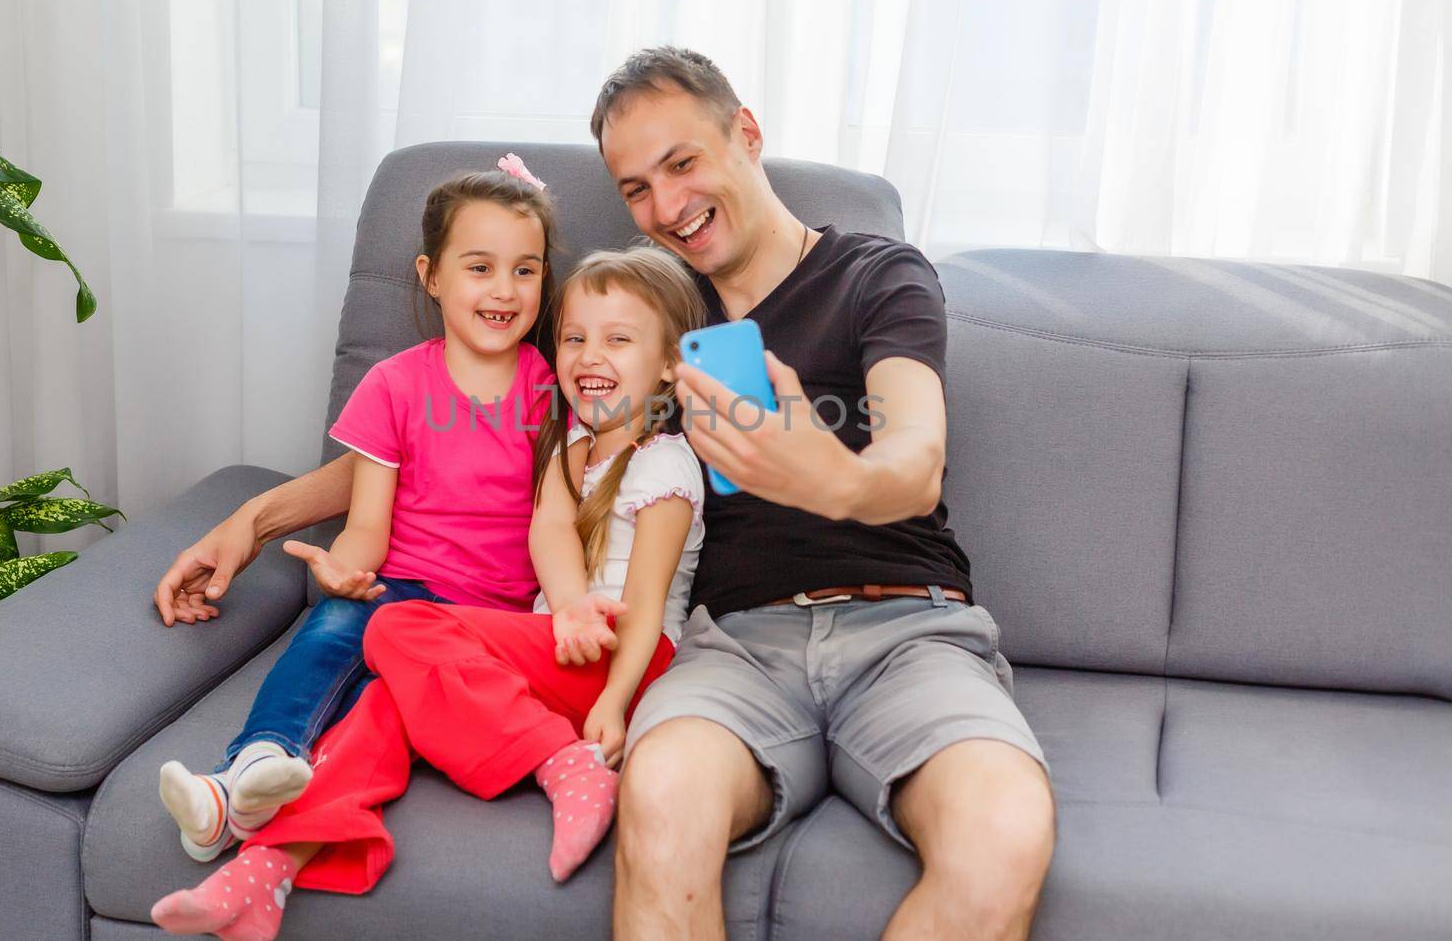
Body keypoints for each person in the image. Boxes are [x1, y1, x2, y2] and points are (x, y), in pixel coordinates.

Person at [155, 47, 1055, 940]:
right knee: (659, 816)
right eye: (635, 188)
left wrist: (835, 476)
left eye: (683, 164)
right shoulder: (642, 316)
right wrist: (255, 519)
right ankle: (276, 846)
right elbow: (440, 442)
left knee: (1003, 837)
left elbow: (916, 456)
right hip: (730, 648)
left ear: (746, 133)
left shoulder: (873, 274)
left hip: (904, 624)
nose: (666, 208)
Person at [150, 248, 709, 941]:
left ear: (667, 366)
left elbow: (650, 608)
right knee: (385, 702)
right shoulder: (570, 445)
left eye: (618, 340)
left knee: (397, 629)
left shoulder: (665, 465)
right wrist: (565, 606)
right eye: (574, 337)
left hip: (625, 657)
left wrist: (615, 706)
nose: (590, 355)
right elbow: (552, 529)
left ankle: (563, 764)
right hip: (556, 653)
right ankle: (263, 873)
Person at [151, 156, 601, 862]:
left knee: (388, 702)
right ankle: (245, 772)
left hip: (486, 615)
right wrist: (341, 573)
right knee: (332, 630)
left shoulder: (549, 389)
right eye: (479, 267)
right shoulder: (395, 386)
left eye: (526, 269)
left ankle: (276, 814)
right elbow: (367, 524)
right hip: (396, 587)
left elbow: (552, 522)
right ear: (431, 275)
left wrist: (570, 603)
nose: (505, 290)